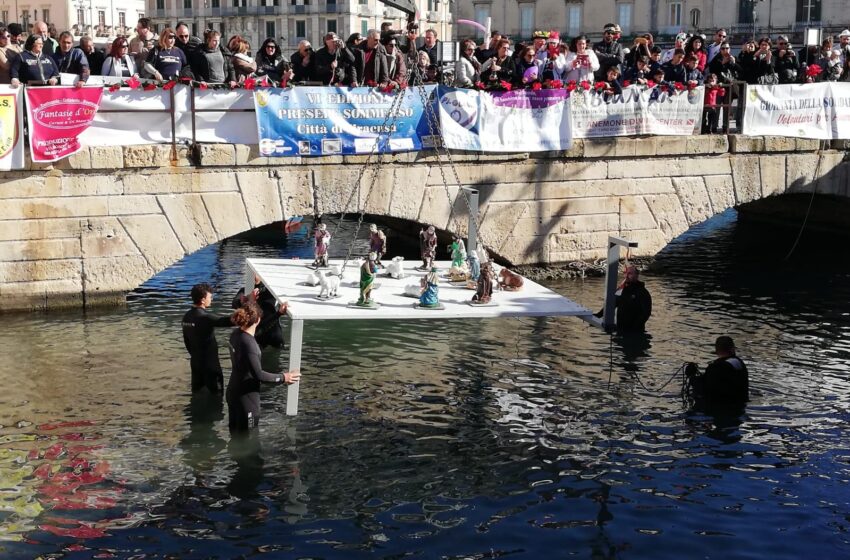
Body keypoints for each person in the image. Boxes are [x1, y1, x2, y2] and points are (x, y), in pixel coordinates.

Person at [226, 302, 300, 433]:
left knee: (235, 432)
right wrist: (284, 377)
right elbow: (259, 375)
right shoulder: (250, 345)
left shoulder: (236, 334)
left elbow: (261, 329)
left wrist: (278, 314)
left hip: (233, 392)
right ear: (258, 319)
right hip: (247, 399)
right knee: (249, 440)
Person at [182, 283, 233, 394]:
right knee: (216, 396)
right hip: (210, 366)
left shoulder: (186, 317)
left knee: (197, 394)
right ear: (203, 300)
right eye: (210, 297)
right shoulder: (204, 317)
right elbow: (225, 321)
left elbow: (187, 342)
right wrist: (246, 312)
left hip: (195, 363)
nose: (211, 299)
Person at [685, 336, 749, 409]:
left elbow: (704, 389)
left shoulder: (716, 367)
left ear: (716, 350)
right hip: (740, 403)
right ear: (733, 349)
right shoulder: (739, 363)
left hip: (721, 407)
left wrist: (692, 376)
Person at [599, 265, 652, 332]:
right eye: (625, 273)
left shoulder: (643, 292)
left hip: (635, 333)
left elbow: (646, 313)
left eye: (629, 273)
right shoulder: (622, 290)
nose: (626, 276)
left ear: (637, 275)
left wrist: (633, 328)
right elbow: (612, 304)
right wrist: (598, 315)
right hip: (620, 329)